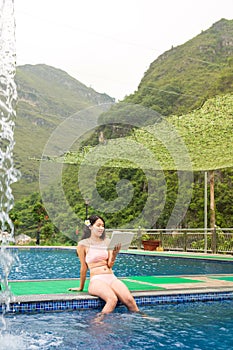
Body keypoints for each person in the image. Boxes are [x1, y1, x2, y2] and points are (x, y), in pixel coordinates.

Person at [69, 214, 139, 314]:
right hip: (97, 279)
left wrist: (115, 254)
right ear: (90, 227)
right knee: (112, 300)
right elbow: (83, 268)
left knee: (130, 300)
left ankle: (143, 318)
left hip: (111, 277)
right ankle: (98, 323)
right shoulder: (82, 245)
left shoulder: (107, 242)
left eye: (103, 225)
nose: (101, 228)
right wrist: (81, 287)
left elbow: (110, 264)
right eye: (98, 225)